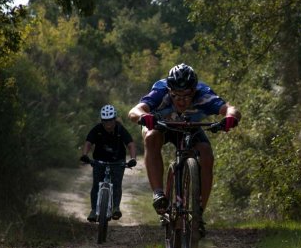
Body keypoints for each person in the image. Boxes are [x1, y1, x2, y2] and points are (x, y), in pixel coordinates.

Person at [128, 63, 241, 234]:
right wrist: (144, 117)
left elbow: (230, 108)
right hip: (162, 126)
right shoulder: (160, 90)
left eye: (187, 96)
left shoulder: (204, 93)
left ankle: (198, 214)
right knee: (151, 138)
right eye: (176, 95)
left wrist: (230, 118)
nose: (181, 100)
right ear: (169, 90)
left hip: (191, 128)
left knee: (206, 154)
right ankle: (158, 193)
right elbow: (134, 111)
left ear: (194, 91)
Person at [80, 104, 137, 222]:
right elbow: (88, 142)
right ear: (102, 121)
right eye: (105, 121)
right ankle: (93, 210)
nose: (108, 124)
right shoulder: (97, 129)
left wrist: (133, 159)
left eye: (111, 121)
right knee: (96, 184)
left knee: (116, 184)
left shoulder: (120, 129)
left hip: (117, 161)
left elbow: (130, 144)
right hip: (99, 161)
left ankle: (116, 207)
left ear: (114, 119)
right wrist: (85, 155)